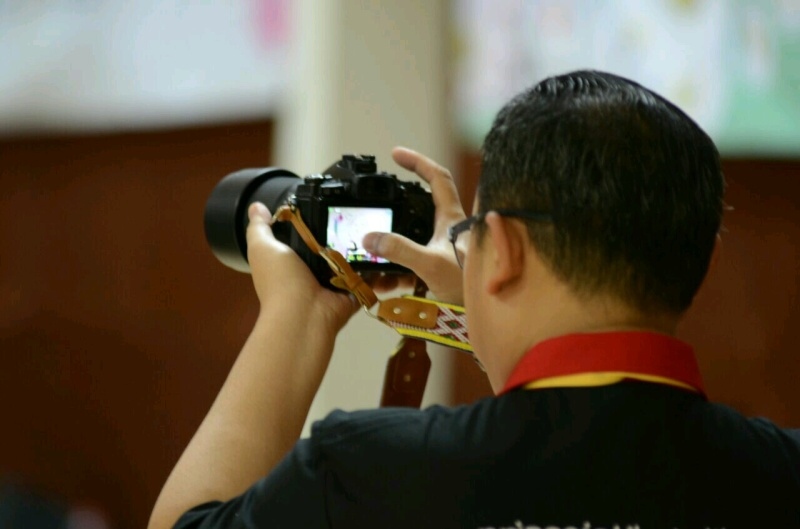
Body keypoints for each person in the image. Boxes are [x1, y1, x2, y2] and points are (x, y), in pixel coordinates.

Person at [148, 71, 800, 529]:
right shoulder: (782, 474)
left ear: (506, 250)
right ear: (703, 263)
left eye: (471, 234)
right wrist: (485, 304)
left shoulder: (369, 470)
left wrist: (296, 315)